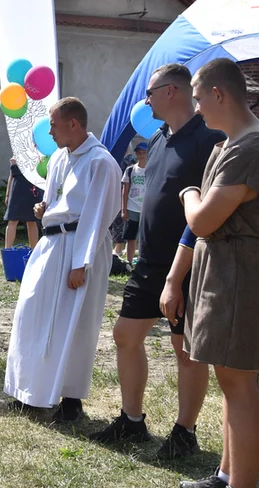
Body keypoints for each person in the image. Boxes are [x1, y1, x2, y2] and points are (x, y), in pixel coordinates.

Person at [171, 58, 259, 488]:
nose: (197, 108)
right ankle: (228, 476)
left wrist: (188, 195)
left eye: (199, 98)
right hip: (226, 266)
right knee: (228, 376)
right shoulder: (234, 144)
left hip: (242, 269)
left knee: (239, 381)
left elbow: (201, 219)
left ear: (220, 94)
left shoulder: (251, 148)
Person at [89, 63, 223, 459]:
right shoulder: (160, 138)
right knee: (125, 335)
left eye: (151, 92)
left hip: (188, 262)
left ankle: (184, 432)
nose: (145, 100)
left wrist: (181, 273)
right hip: (148, 262)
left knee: (185, 350)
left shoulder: (209, 138)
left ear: (172, 92)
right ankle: (132, 421)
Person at [4, 98, 120, 421]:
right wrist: (45, 210)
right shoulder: (58, 158)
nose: (50, 131)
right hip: (52, 244)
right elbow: (55, 200)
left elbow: (97, 215)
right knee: (33, 315)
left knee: (75, 324)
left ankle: (70, 400)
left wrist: (80, 263)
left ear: (74, 124)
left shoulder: (101, 163)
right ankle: (30, 390)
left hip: (79, 248)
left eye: (54, 124)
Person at [4, 157, 43, 249]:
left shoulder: (37, 154)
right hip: (16, 188)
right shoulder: (17, 151)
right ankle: (7, 250)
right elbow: (11, 176)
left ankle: (33, 251)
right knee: (12, 220)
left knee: (32, 221)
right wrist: (7, 194)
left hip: (32, 188)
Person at [119, 142, 148, 264]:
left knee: (144, 238)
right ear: (136, 154)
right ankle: (129, 262)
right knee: (130, 238)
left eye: (143, 153)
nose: (141, 155)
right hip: (132, 207)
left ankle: (143, 261)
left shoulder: (152, 169)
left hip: (146, 208)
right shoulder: (130, 170)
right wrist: (124, 209)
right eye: (139, 153)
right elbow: (125, 191)